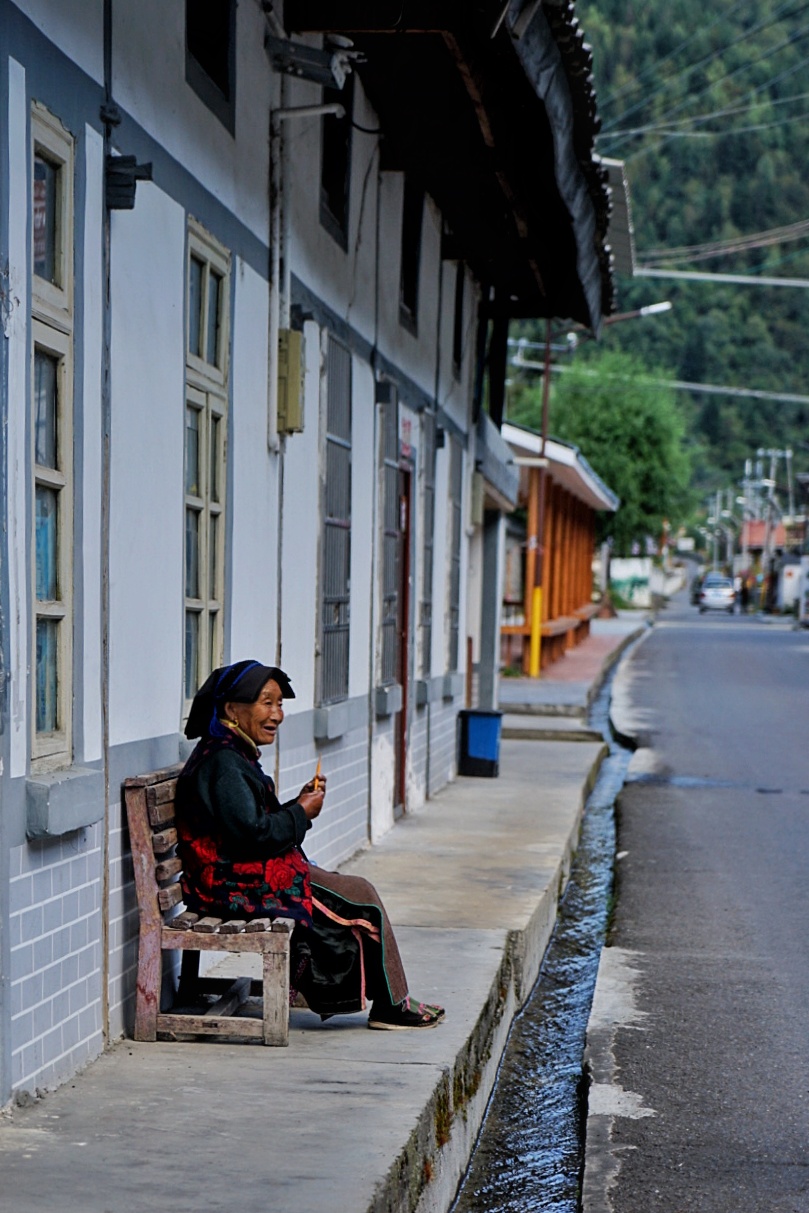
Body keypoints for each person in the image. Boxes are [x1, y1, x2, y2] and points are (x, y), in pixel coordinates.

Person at [176, 659, 444, 1030]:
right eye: (267, 703)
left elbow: (246, 827)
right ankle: (391, 1006)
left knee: (352, 892)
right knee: (360, 897)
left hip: (239, 872)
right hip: (230, 883)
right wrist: (301, 814)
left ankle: (388, 1000)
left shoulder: (231, 752)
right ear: (231, 709)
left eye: (280, 704)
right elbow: (252, 837)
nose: (278, 714)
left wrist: (297, 807)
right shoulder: (223, 761)